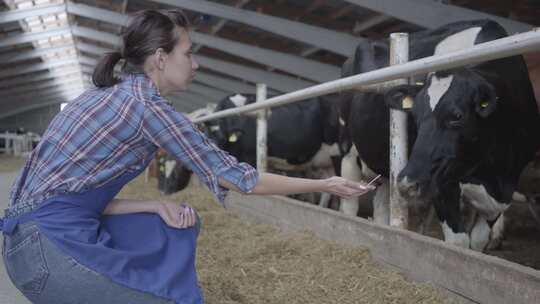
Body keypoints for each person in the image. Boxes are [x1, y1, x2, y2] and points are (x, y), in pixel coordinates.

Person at [0, 9, 374, 304]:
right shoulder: (148, 107)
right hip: (49, 249)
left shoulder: (101, 94)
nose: (195, 65)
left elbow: (66, 198)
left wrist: (149, 204)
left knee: (167, 224)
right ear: (161, 58)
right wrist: (324, 183)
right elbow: (237, 176)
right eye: (189, 53)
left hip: (24, 246)